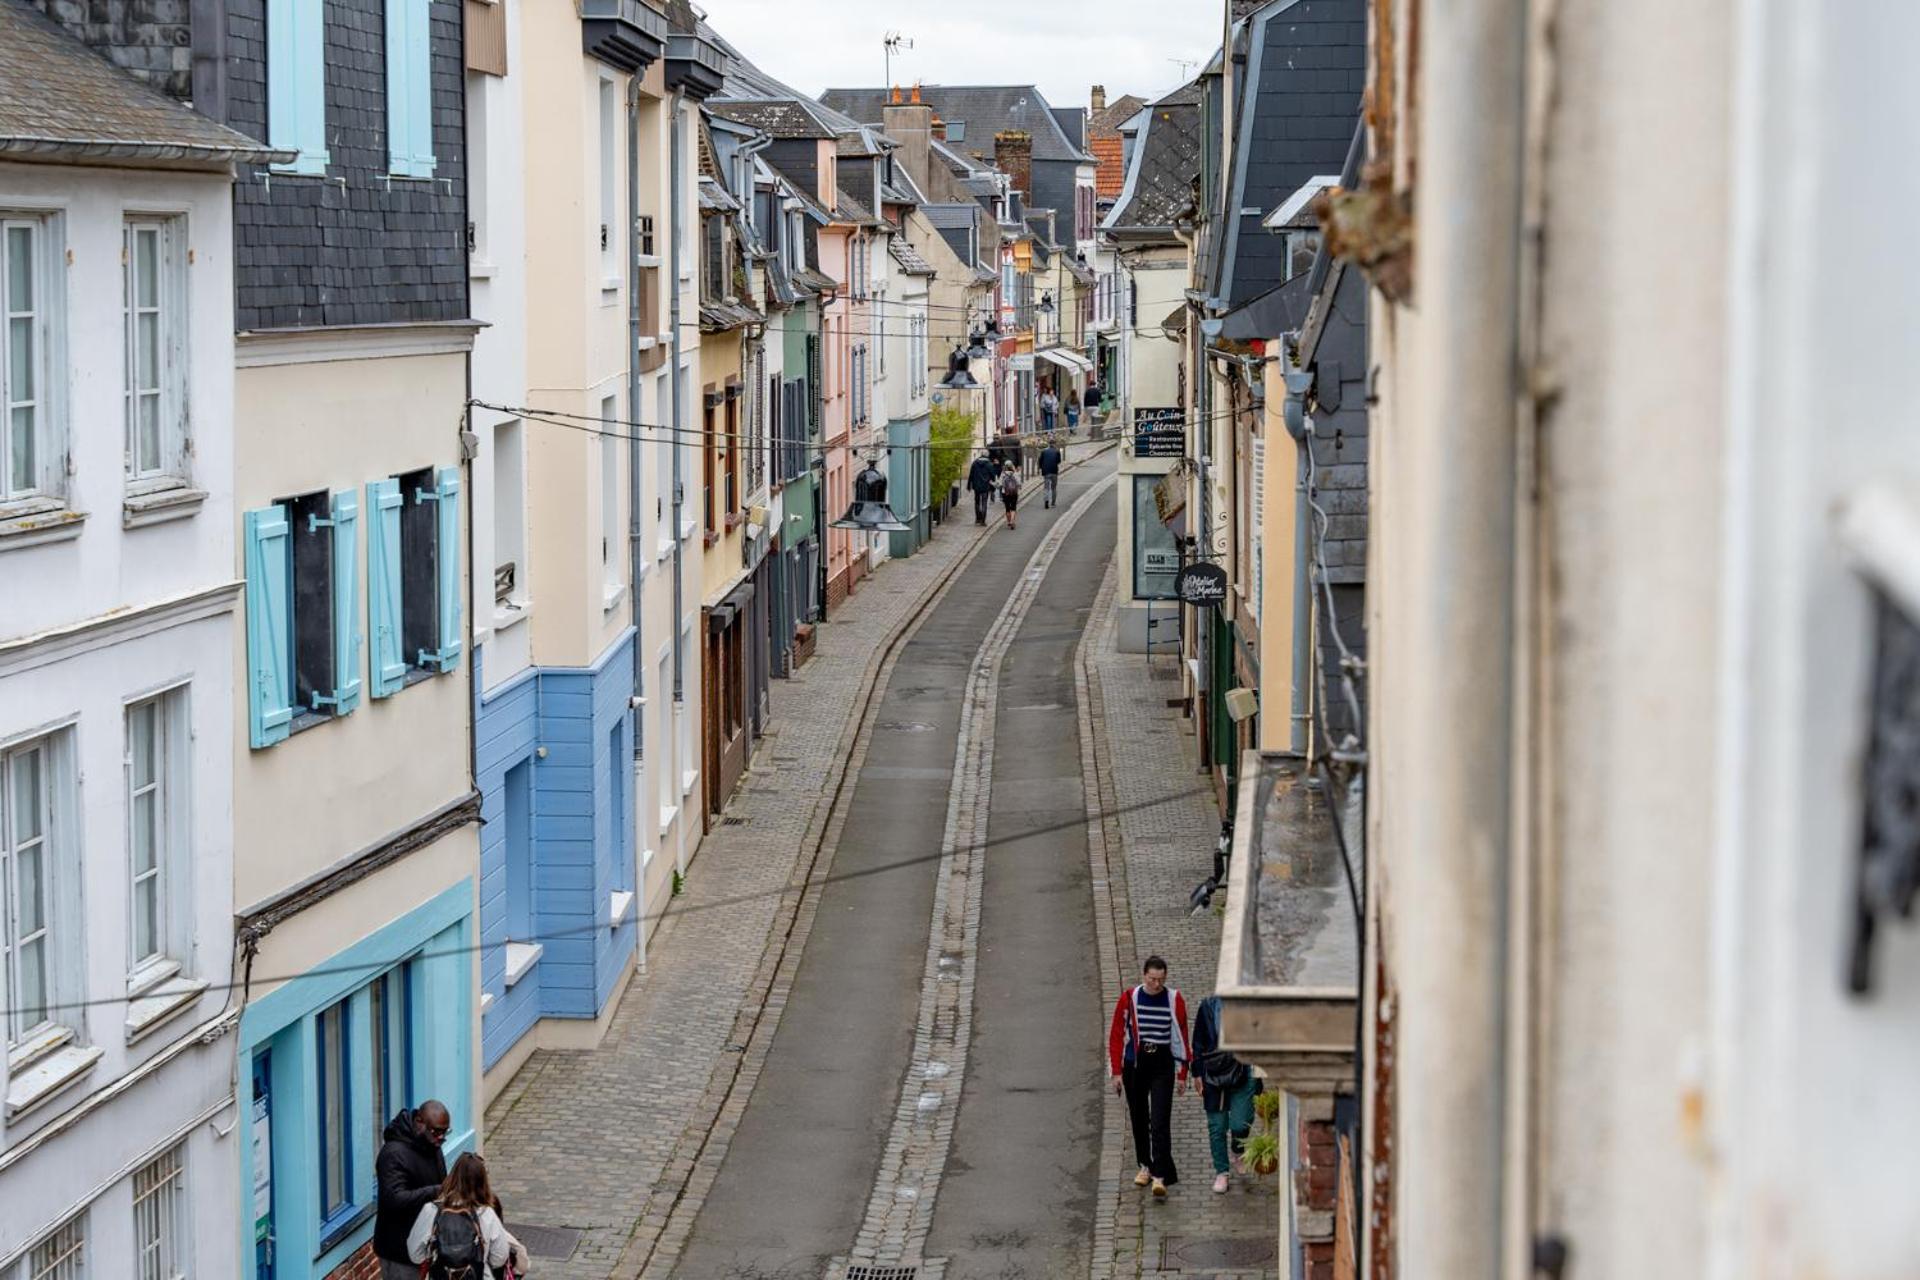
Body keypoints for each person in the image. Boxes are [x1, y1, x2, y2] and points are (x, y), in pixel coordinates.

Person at [1108, 956, 1190, 1197]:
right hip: (1136, 1063)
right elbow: (1116, 1035)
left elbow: (1182, 1035)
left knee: (1160, 1120)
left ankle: (1160, 1175)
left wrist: (1183, 1072)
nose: (1156, 984)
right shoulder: (1130, 998)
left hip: (1162, 1064)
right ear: (1144, 975)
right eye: (1152, 979)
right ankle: (1145, 1165)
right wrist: (1116, 1071)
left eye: (1161, 980)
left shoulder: (1174, 999)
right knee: (1139, 1117)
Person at [406, 1151, 532, 1279]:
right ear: (483, 1182)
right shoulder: (486, 1214)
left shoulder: (431, 1210)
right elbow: (499, 1258)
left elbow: (415, 1255)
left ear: (453, 1176)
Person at [1191, 993, 1262, 1194]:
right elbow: (1198, 1041)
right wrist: (1196, 1072)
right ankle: (1222, 1172)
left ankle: (1237, 1150)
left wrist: (1259, 1073)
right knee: (1217, 1126)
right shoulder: (1207, 1006)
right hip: (1214, 1072)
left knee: (1241, 1122)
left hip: (1244, 1069)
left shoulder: (1249, 1004)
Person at [375, 1101, 452, 1279]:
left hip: (425, 1245)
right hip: (399, 1252)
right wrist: (435, 1191)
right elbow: (394, 1199)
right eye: (436, 1131)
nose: (440, 1138)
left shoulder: (432, 1145)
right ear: (419, 1122)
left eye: (445, 1132)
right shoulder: (393, 1154)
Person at [967, 451, 998, 526]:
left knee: (977, 502)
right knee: (984, 502)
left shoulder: (975, 463)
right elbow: (993, 476)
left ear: (981, 455)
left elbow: (971, 474)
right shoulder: (989, 464)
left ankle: (978, 518)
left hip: (976, 485)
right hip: (985, 486)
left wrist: (969, 485)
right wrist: (993, 481)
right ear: (987, 456)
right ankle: (983, 521)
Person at [1038, 438, 1063, 508]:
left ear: (1049, 444)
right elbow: (1059, 461)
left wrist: (1040, 467)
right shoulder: (1057, 451)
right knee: (1054, 488)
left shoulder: (1044, 451)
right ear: (1055, 444)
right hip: (1054, 471)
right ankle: (1053, 503)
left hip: (1046, 471)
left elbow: (1040, 461)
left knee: (1046, 487)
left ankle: (1046, 501)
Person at [998, 461, 1022, 529]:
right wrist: (1019, 487)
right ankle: (1012, 521)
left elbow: (1000, 484)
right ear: (1012, 466)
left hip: (1005, 493)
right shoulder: (1015, 473)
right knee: (1013, 507)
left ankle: (1008, 522)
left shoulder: (1003, 474)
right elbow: (1019, 483)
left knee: (1007, 508)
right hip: (1014, 492)